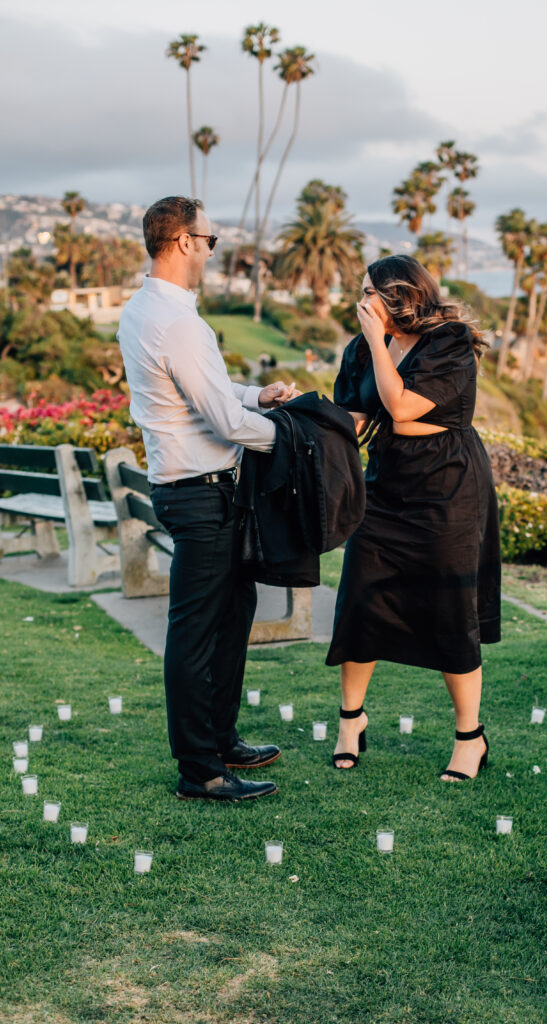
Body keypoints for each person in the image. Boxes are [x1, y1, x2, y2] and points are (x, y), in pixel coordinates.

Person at [117, 196, 298, 802]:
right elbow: (220, 420)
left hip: (192, 490)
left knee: (232, 613)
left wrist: (256, 395)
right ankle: (201, 769)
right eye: (211, 239)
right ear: (183, 242)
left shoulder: (144, 310)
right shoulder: (178, 322)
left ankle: (222, 738)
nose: (213, 249)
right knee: (196, 632)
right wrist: (295, 435)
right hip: (201, 495)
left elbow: (206, 393)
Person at [326, 255, 501, 781]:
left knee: (451, 609)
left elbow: (400, 407)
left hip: (448, 486)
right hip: (386, 484)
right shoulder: (361, 348)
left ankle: (470, 738)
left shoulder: (448, 342)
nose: (360, 302)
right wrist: (305, 415)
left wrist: (379, 342)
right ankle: (350, 722)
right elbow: (359, 417)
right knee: (361, 597)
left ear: (399, 295)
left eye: (368, 292)